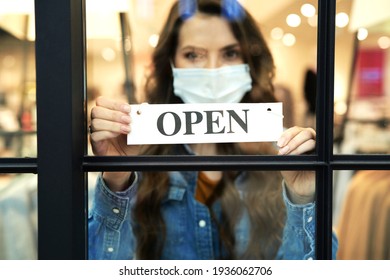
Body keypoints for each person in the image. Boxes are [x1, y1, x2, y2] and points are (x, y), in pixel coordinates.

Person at [88, 0, 338, 260]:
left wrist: (303, 198)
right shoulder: (136, 152)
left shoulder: (287, 150)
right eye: (193, 54)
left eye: (230, 53)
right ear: (170, 64)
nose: (213, 71)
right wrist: (116, 181)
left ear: (249, 60)